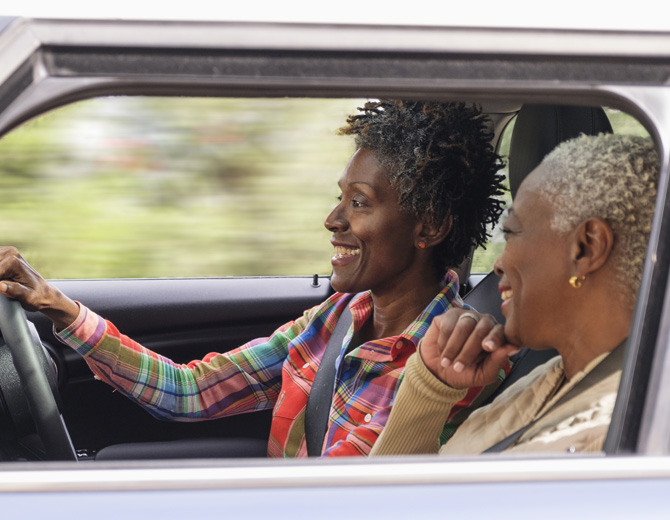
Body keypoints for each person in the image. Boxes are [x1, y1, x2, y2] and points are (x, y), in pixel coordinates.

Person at [0, 100, 508, 458]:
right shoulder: (337, 320)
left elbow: (354, 500)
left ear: (430, 227)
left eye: (359, 202)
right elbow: (191, 392)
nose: (333, 220)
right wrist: (58, 306)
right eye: (340, 197)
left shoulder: (452, 361)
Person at [370, 133, 659, 456]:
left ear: (586, 248)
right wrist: (431, 387)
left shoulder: (614, 435)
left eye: (512, 233)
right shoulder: (547, 383)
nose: (498, 264)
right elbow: (399, 498)